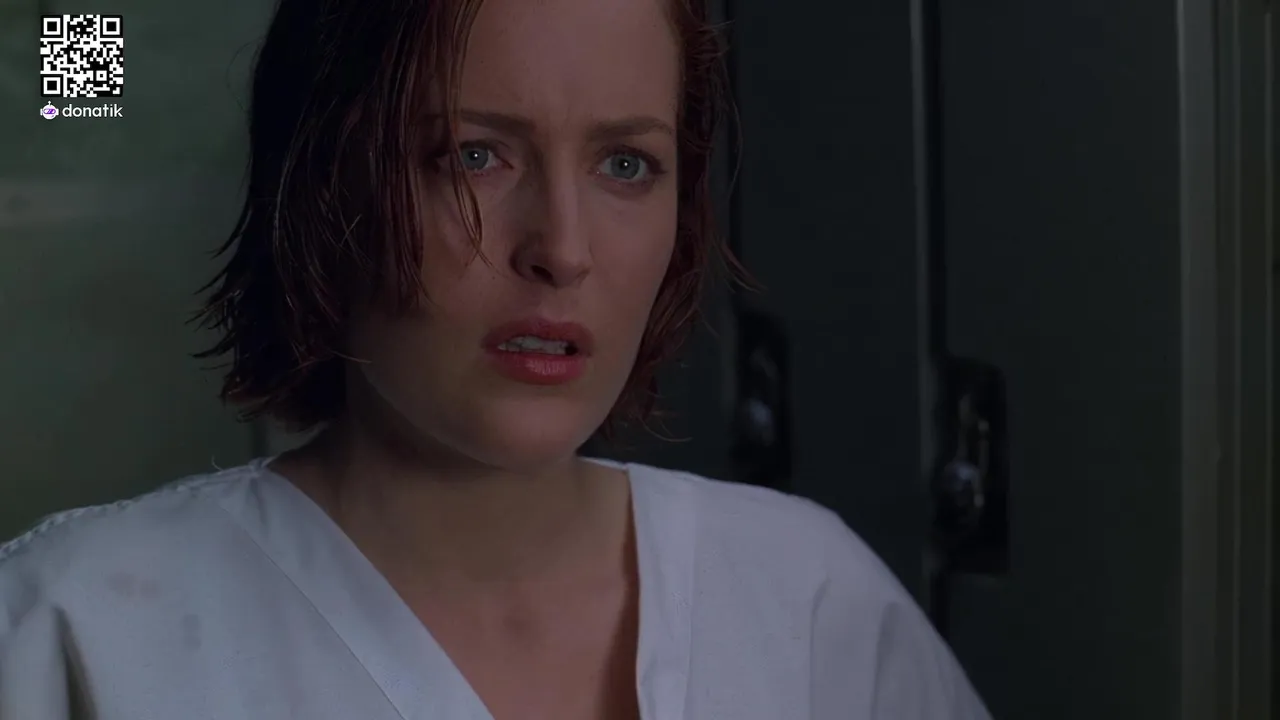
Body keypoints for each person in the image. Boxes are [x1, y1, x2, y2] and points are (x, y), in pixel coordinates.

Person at [0, 0, 991, 717]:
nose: (562, 248)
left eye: (625, 165)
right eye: (473, 156)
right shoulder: (78, 630)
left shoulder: (808, 600)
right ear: (324, 185)